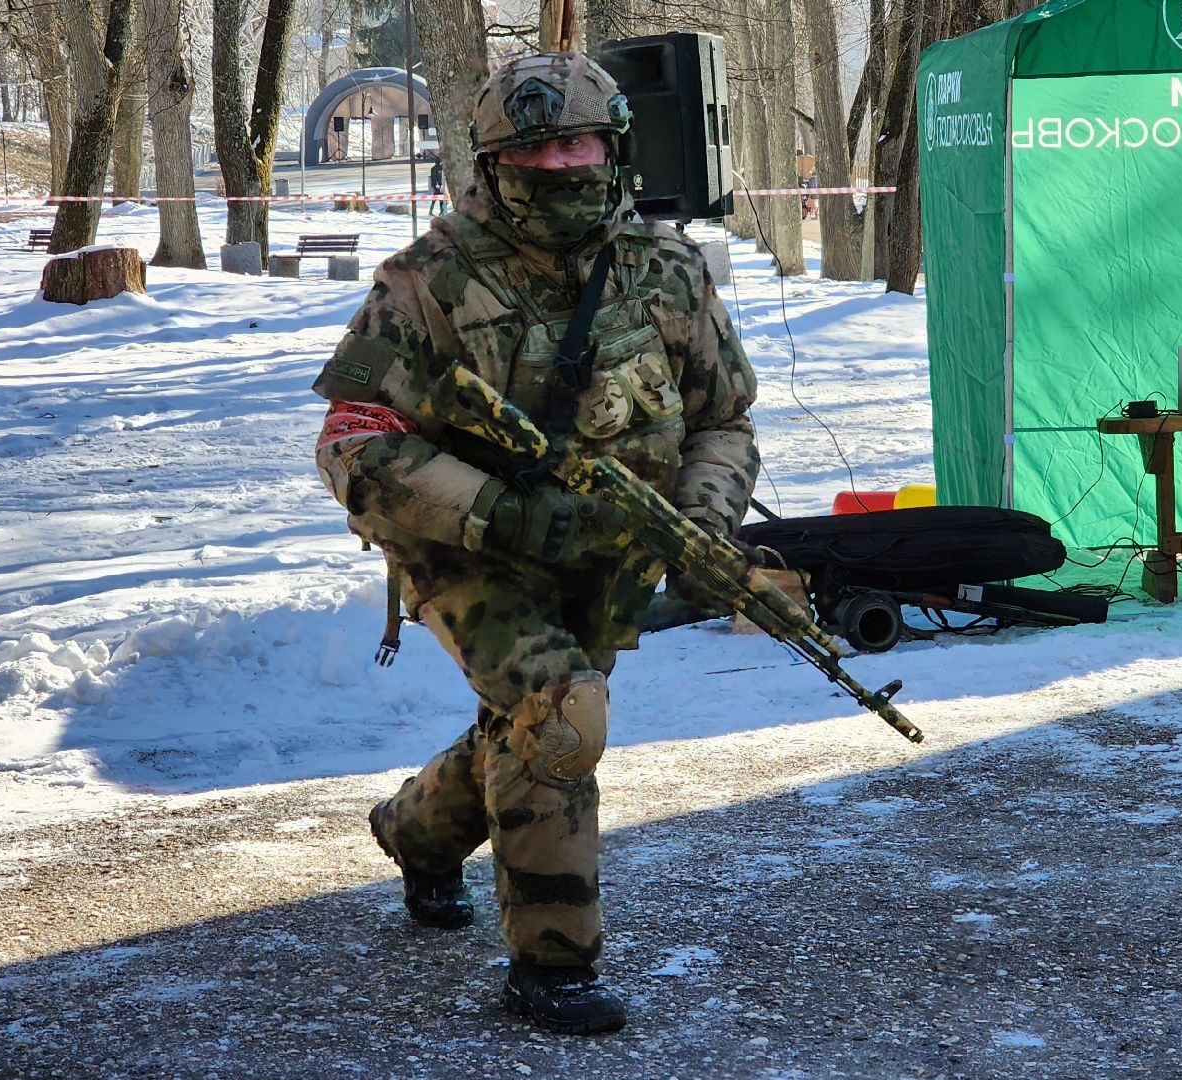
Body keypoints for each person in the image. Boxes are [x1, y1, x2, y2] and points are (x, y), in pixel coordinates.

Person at [308, 53, 759, 1035]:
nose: (562, 164)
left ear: (618, 149)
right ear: (495, 158)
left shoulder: (668, 270)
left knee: (525, 729)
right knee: (560, 713)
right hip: (468, 549)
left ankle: (416, 834)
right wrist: (499, 511)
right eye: (536, 147)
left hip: (613, 549)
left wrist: (706, 517)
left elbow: (723, 419)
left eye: (581, 142)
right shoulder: (429, 279)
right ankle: (553, 965)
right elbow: (352, 441)